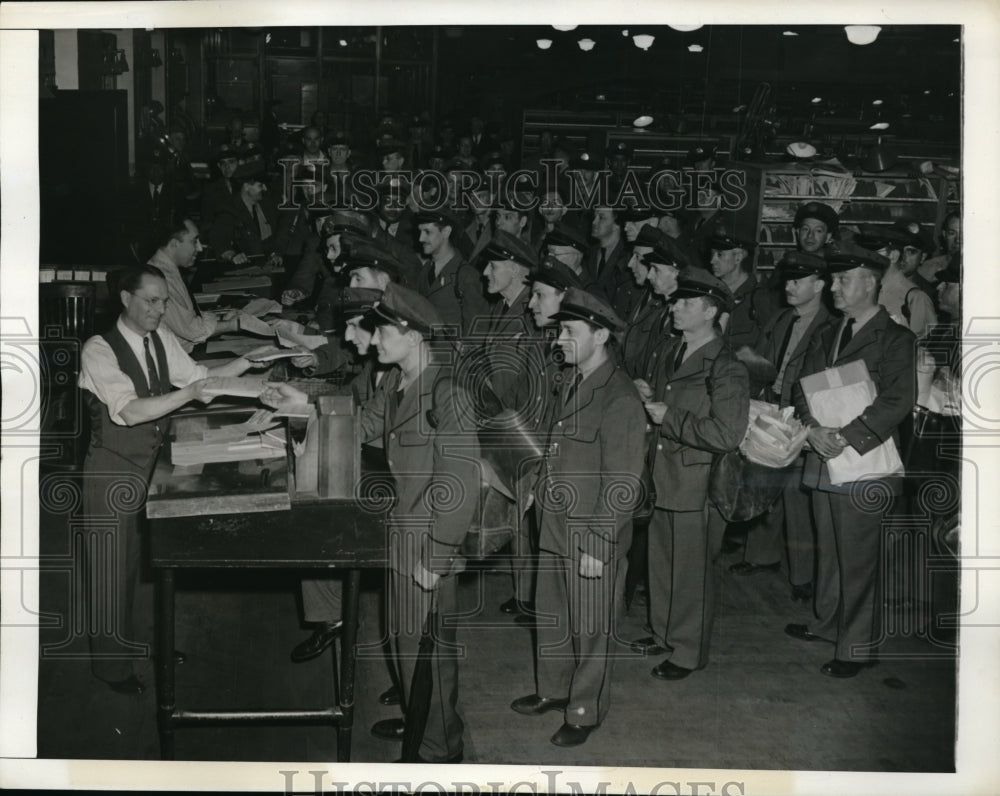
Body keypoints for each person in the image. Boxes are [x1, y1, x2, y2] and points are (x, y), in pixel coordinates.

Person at [265, 283, 481, 764]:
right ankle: (420, 719)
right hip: (401, 534)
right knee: (404, 642)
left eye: (381, 329)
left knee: (430, 654)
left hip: (427, 542)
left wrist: (439, 556)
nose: (373, 339)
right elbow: (360, 424)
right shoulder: (395, 383)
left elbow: (461, 481)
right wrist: (302, 405)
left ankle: (437, 752)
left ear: (413, 335)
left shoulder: (449, 394)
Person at [78, 264, 271, 695]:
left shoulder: (160, 340)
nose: (160, 309)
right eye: (151, 300)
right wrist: (187, 394)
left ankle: (145, 644)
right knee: (112, 569)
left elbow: (201, 380)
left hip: (154, 465)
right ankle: (112, 669)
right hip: (112, 469)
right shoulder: (99, 349)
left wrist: (256, 362)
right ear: (125, 299)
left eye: (164, 301)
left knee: (150, 560)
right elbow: (128, 410)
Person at [510, 288, 646, 748]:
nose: (558, 340)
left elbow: (623, 482)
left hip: (589, 532)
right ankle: (553, 689)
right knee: (552, 614)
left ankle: (585, 708)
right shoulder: (571, 380)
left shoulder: (620, 398)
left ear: (602, 334)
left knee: (591, 629)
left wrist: (600, 544)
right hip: (554, 522)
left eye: (569, 331)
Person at [786, 241, 916, 678]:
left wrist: (844, 436)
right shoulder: (827, 332)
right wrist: (812, 429)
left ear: (870, 283)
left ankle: (858, 647)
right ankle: (827, 624)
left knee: (860, 558)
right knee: (831, 551)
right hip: (826, 457)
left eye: (843, 280)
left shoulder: (896, 338)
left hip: (865, 461)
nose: (834, 288)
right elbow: (800, 387)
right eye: (835, 279)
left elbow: (899, 400)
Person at [629, 270, 750, 679]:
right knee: (662, 562)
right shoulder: (672, 351)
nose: (673, 307)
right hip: (665, 474)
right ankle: (664, 632)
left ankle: (688, 650)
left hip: (698, 482)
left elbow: (728, 433)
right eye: (675, 301)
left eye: (684, 302)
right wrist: (649, 397)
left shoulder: (726, 366)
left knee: (692, 572)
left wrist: (671, 417)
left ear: (711, 310)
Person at [728, 251, 833, 602]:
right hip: (772, 407)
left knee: (796, 497)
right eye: (788, 280)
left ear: (819, 285)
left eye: (797, 281)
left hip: (804, 413)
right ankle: (761, 556)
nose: (788, 286)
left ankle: (802, 576)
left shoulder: (829, 325)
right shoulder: (781, 318)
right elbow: (765, 359)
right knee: (764, 481)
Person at [287, 287, 384, 664]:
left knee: (317, 511)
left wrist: (307, 408)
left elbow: (366, 421)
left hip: (393, 481)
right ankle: (332, 616)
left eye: (354, 328)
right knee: (311, 499)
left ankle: (335, 617)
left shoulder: (401, 371)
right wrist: (301, 399)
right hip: (371, 464)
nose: (345, 337)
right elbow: (350, 399)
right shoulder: (379, 364)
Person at [148, 219, 244, 352]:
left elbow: (191, 318)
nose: (199, 248)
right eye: (194, 241)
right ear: (174, 244)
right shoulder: (160, 280)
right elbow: (194, 331)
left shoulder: (167, 270)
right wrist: (233, 325)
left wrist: (221, 319)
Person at [414, 208, 490, 336]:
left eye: (427, 232)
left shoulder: (467, 276)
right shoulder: (425, 270)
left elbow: (477, 333)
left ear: (446, 232)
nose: (421, 238)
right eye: (420, 232)